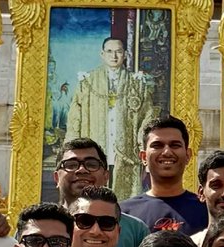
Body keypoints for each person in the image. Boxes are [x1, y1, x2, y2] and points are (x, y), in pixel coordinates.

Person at [64, 36, 156, 201]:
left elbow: (148, 117)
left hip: (127, 152)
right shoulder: (87, 81)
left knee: (125, 199)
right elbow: (74, 118)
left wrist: (142, 145)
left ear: (125, 55)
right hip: (95, 147)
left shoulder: (137, 83)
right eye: (109, 51)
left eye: (118, 51)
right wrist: (71, 150)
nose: (114, 56)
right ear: (102, 54)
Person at [54, 139, 150, 247]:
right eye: (71, 165)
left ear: (106, 176)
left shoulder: (135, 229)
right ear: (57, 178)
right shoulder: (37, 226)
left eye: (91, 164)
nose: (82, 170)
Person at [121, 116, 208, 236]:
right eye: (157, 145)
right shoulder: (124, 214)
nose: (167, 152)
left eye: (175, 145)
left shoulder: (206, 210)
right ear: (143, 157)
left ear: (188, 155)